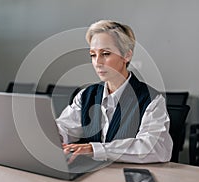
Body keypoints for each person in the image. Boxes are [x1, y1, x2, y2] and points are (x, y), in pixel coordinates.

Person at [56, 20, 173, 164]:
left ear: (126, 56)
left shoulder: (152, 100)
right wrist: (55, 137)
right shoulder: (86, 95)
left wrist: (95, 149)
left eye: (105, 53)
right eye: (93, 55)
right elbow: (64, 128)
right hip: (92, 175)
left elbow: (155, 148)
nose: (97, 62)